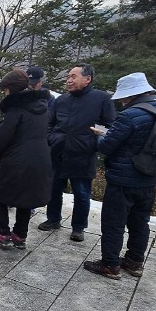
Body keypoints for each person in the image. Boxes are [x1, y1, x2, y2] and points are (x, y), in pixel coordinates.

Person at [83, 73, 156, 280]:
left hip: (123, 179)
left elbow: (108, 147)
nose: (121, 101)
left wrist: (102, 135)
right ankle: (135, 262)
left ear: (130, 95)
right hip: (150, 177)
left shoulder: (130, 115)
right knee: (140, 221)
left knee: (114, 222)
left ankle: (110, 264)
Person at [41, 63, 116, 242]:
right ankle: (53, 219)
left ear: (87, 79)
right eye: (68, 77)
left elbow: (110, 126)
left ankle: (78, 227)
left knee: (81, 194)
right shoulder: (61, 100)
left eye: (73, 76)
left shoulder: (101, 99)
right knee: (53, 189)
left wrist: (92, 136)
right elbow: (50, 123)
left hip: (83, 154)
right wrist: (52, 138)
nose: (69, 80)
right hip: (58, 151)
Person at [0, 70, 53, 249]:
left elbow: (4, 136)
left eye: (5, 90)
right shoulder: (42, 106)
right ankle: (20, 235)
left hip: (17, 157)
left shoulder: (14, 109)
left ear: (9, 89)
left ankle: (2, 232)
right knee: (27, 196)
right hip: (41, 156)